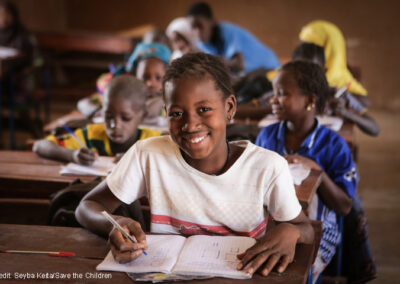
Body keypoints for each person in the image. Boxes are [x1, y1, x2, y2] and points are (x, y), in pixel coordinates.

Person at [75, 53, 314, 276]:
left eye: (204, 110)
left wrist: (291, 231)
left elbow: (307, 229)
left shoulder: (267, 168)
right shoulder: (147, 155)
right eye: (177, 114)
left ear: (229, 108)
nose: (190, 125)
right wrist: (117, 225)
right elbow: (88, 205)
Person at [255, 60, 375, 282]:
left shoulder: (333, 145)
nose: (273, 99)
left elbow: (345, 206)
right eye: (274, 93)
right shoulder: (267, 136)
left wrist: (318, 172)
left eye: (282, 94)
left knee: (293, 266)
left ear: (310, 100)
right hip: (272, 219)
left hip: (316, 227)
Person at [33, 75, 162, 165]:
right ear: (102, 112)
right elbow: (39, 146)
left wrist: (141, 160)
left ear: (142, 117)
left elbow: (180, 157)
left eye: (125, 118)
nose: (115, 125)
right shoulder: (92, 134)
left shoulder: (154, 141)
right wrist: (71, 155)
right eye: (108, 116)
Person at [292, 41, 379, 136]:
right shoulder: (287, 95)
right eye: (302, 71)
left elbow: (374, 129)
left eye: (314, 70)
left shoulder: (337, 95)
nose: (308, 76)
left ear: (324, 71)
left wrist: (345, 113)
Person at [187, 2, 280, 74]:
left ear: (212, 21)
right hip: (249, 75)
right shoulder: (202, 44)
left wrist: (214, 62)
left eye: (200, 25)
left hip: (271, 69)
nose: (197, 31)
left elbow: (239, 65)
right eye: (193, 27)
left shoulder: (227, 31)